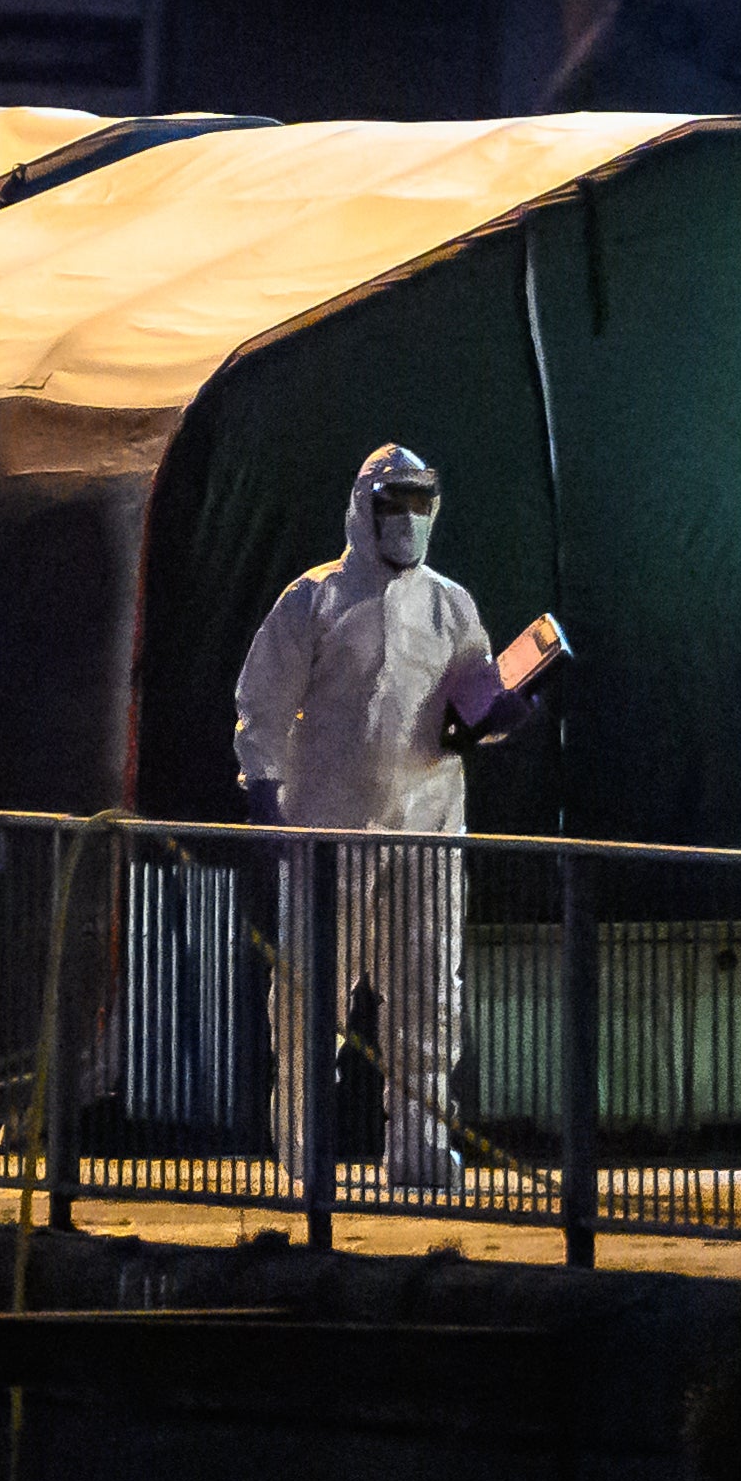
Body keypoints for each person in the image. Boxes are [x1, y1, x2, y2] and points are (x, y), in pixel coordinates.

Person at [236, 444, 512, 1191]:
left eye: (420, 502)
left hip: (429, 831)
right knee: (308, 999)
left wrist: (505, 711)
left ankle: (419, 1146)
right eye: (395, 502)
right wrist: (266, 802)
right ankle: (305, 1147)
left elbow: (470, 711)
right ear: (365, 507)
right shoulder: (314, 599)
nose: (409, 518)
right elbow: (260, 706)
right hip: (330, 832)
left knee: (428, 996)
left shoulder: (451, 606)